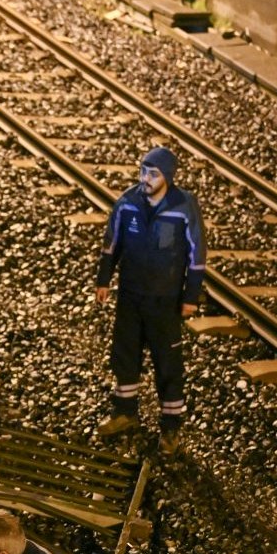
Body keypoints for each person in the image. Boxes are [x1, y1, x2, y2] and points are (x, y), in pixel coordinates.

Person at [94, 146, 206, 456]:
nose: (146, 178)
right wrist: (104, 280)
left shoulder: (184, 207)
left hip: (165, 299)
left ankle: (170, 428)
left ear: (167, 177)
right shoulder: (128, 202)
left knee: (167, 362)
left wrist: (190, 297)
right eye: (143, 171)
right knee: (125, 352)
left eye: (153, 173)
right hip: (131, 294)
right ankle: (125, 411)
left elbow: (197, 255)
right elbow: (111, 243)